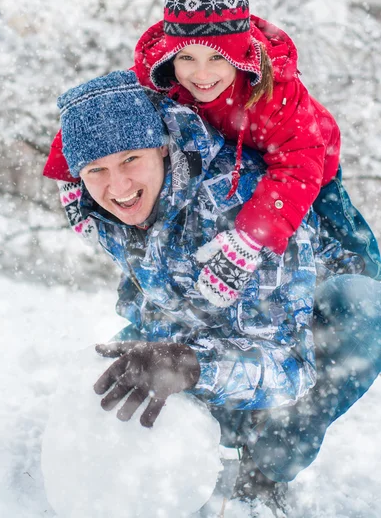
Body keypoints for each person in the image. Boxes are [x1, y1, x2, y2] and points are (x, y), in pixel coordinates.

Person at [57, 70, 381, 517]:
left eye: (130, 159)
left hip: (303, 324)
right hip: (216, 314)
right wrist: (155, 348)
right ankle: (204, 446)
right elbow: (155, 295)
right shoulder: (104, 209)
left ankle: (266, 472)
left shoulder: (243, 198)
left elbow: (291, 367)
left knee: (361, 310)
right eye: (97, 170)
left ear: (162, 148)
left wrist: (192, 365)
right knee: (133, 367)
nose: (118, 187)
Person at [43, 0, 381, 307]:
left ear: (242, 55)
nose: (200, 75)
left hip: (310, 167)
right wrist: (70, 177)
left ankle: (363, 302)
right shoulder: (162, 73)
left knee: (351, 256)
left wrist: (249, 240)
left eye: (217, 58)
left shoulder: (275, 95)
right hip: (225, 165)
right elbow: (96, 112)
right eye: (186, 56)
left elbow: (298, 168)